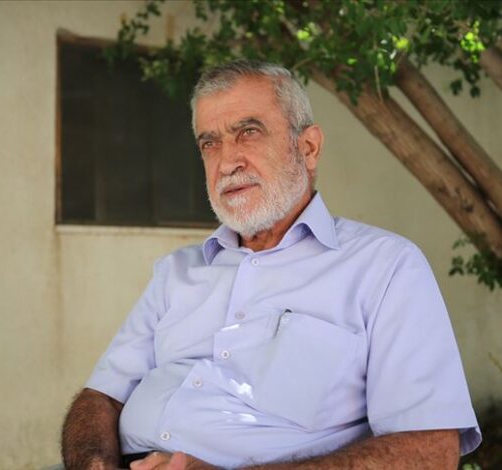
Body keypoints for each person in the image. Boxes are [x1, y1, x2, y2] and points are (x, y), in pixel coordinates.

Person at [60, 59, 481, 470]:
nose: (227, 162)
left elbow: (429, 451)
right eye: (210, 143)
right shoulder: (177, 272)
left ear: (308, 147)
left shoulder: (385, 267)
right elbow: (100, 397)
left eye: (248, 132)